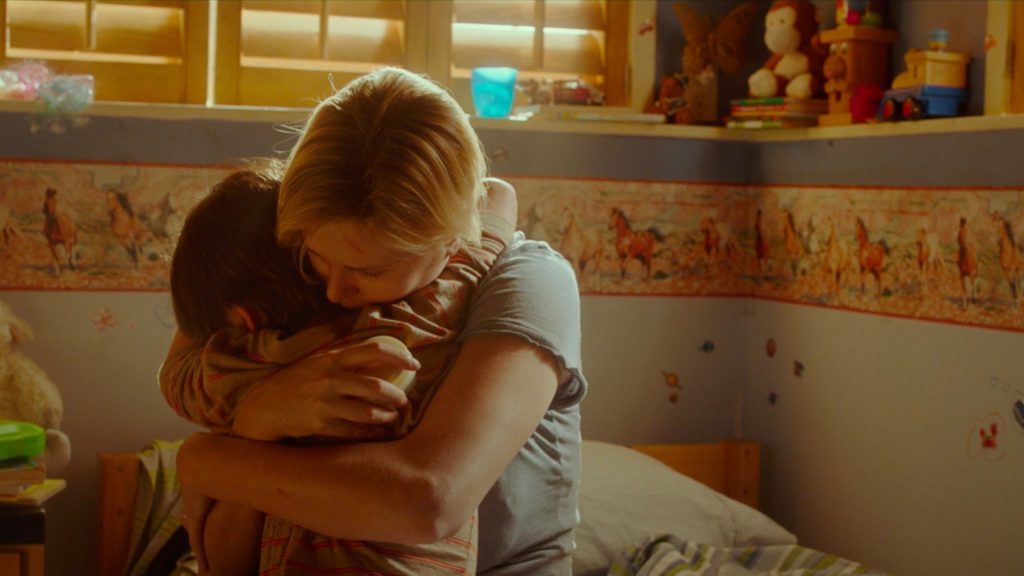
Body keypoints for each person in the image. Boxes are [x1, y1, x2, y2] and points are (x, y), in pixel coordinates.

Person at [165, 67, 586, 575]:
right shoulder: (297, 281)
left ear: (450, 242)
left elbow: (428, 501)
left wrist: (207, 459)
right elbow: (227, 563)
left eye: (370, 271)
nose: (334, 292)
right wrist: (257, 421)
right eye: (316, 259)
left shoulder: (530, 280)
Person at [164, 166, 515, 574]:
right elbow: (496, 197)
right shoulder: (426, 319)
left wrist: (213, 447)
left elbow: (173, 377)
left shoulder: (238, 372)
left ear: (245, 319)